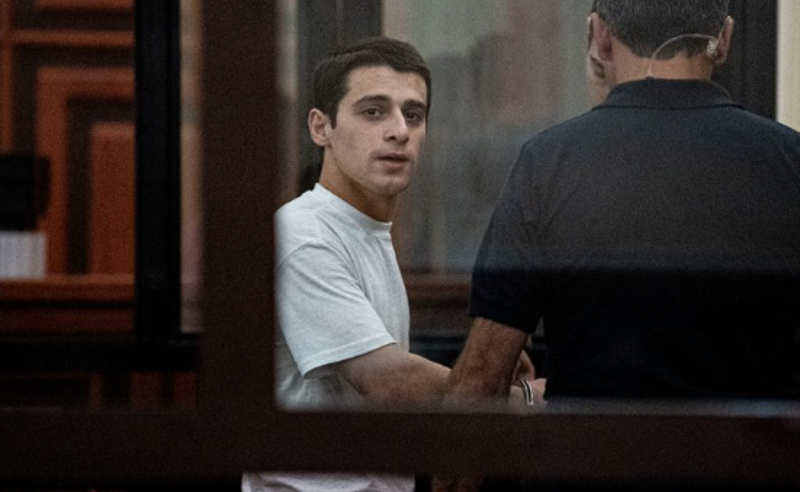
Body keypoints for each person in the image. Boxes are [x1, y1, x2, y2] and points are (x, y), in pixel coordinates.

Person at [436, 0, 800, 490]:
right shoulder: (789, 161)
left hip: (587, 472)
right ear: (726, 39)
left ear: (599, 35)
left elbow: (482, 376)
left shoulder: (550, 162)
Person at [243, 36, 534, 492]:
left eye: (413, 114)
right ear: (321, 128)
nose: (399, 130)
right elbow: (387, 381)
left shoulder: (364, 230)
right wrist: (520, 401)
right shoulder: (303, 235)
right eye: (373, 111)